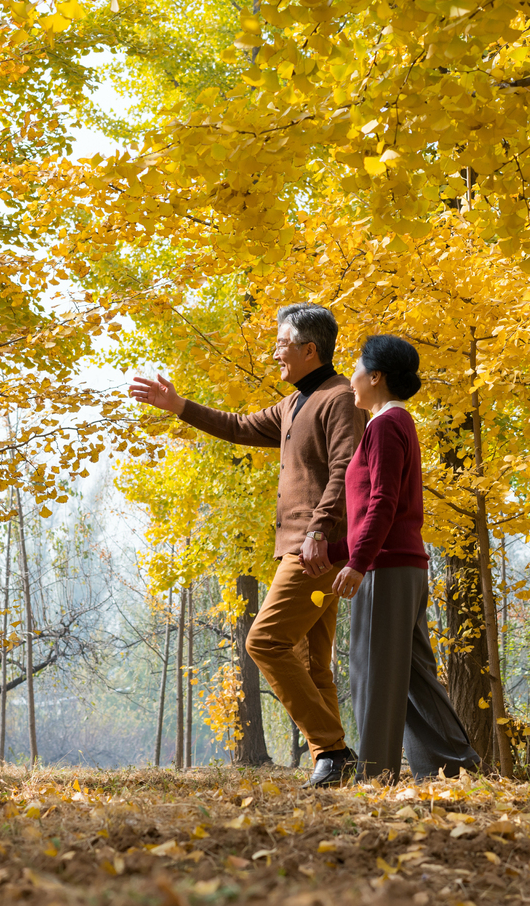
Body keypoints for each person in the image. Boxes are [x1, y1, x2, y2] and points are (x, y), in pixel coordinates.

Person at [130, 304, 367, 787]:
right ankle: (338, 759)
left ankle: (334, 751)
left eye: (282, 343)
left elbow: (346, 468)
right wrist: (179, 407)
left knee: (264, 641)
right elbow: (238, 426)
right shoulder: (294, 403)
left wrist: (319, 529)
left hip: (316, 546)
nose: (274, 352)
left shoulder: (339, 398)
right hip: (303, 546)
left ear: (309, 348)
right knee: (311, 661)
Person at [322, 335, 480, 782]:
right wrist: (335, 552)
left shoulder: (385, 425)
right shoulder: (395, 423)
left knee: (372, 677)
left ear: (375, 376)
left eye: (355, 368)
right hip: (400, 565)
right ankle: (456, 769)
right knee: (414, 682)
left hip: (386, 568)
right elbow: (385, 510)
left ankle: (373, 778)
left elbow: (384, 500)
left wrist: (357, 562)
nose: (350, 378)